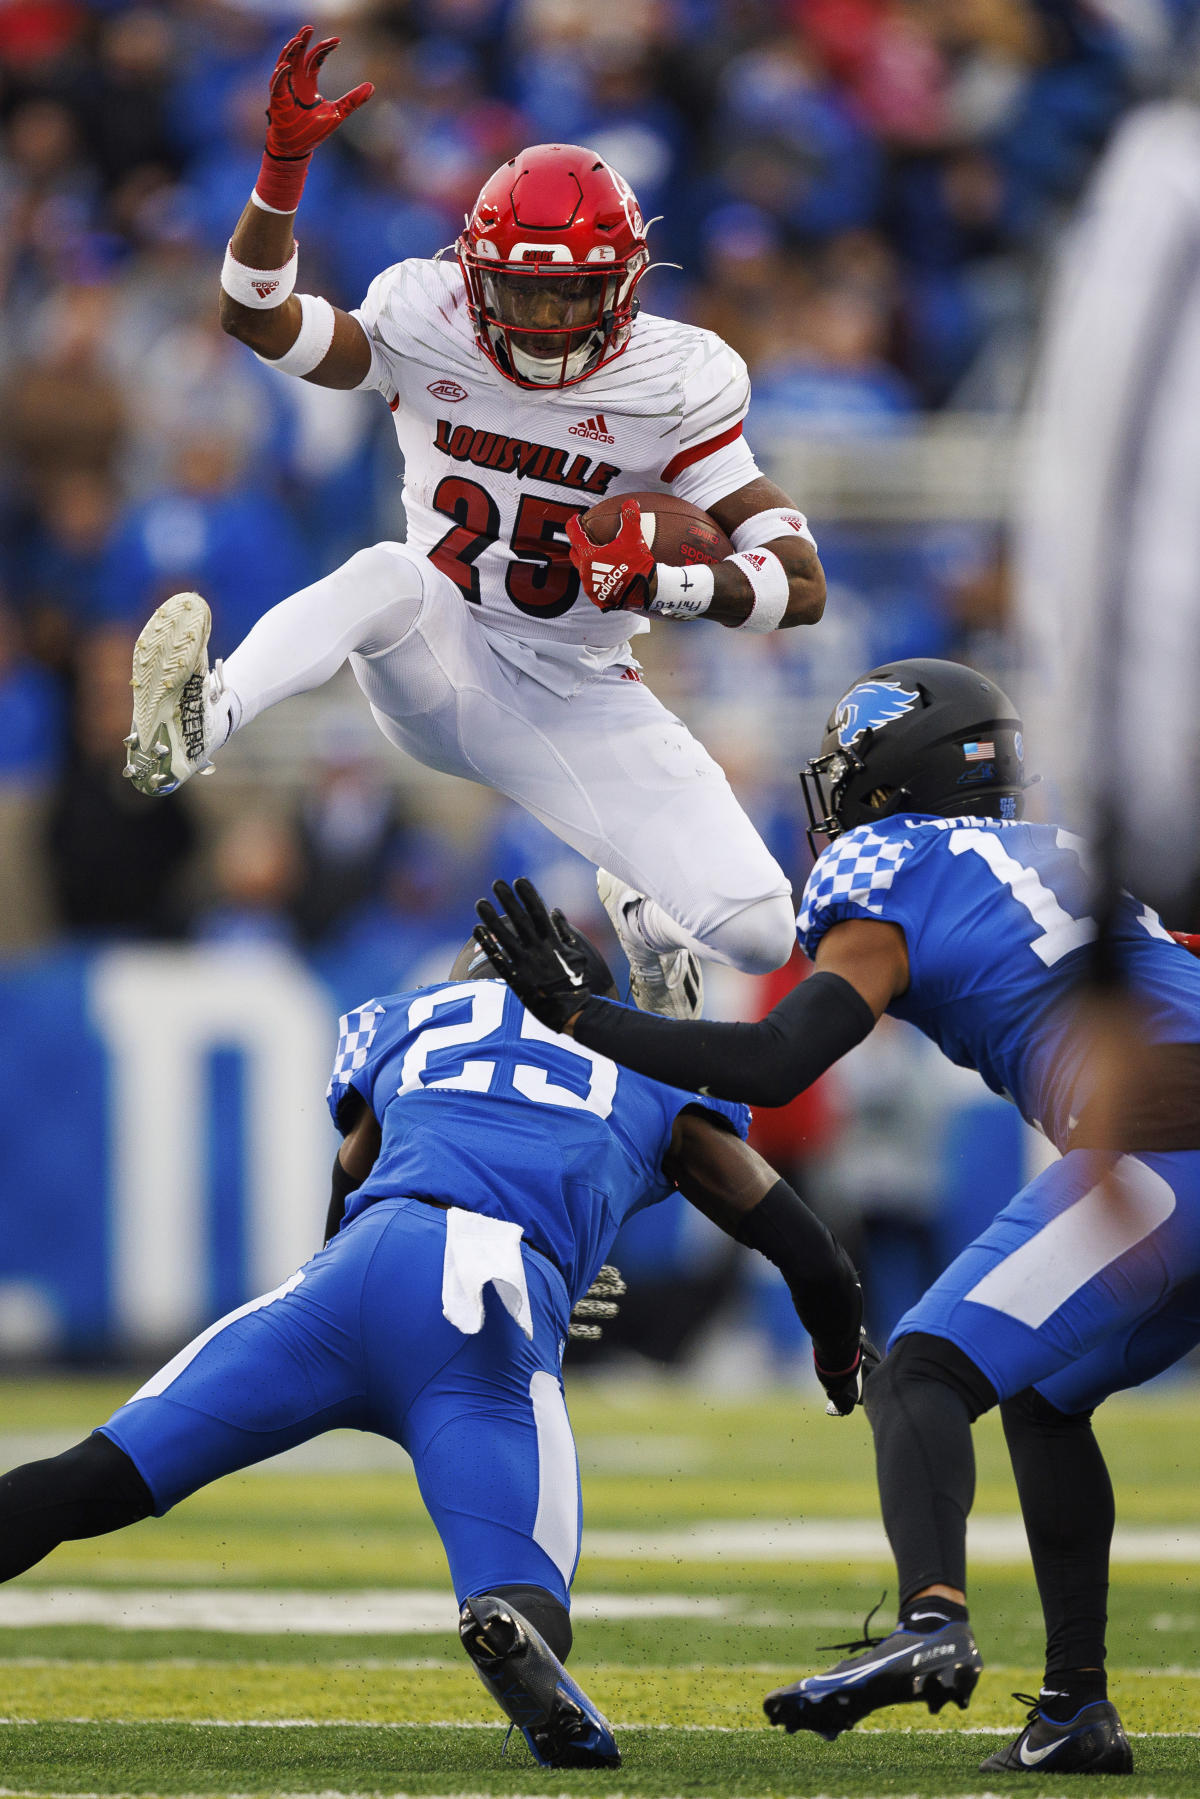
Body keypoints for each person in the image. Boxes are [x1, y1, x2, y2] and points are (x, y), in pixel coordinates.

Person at [475, 654, 1200, 1776]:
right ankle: (1072, 1707)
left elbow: (775, 1061)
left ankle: (931, 1619)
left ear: (888, 775)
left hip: (1165, 1143)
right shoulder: (1066, 854)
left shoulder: (892, 862)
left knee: (923, 1368)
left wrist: (580, 1013)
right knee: (1048, 1397)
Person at [0, 919, 869, 1769]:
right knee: (526, 1591)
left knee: (98, 1474)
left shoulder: (413, 1025)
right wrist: (838, 1363)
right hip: (490, 1310)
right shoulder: (650, 1068)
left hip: (354, 1278)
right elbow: (815, 1260)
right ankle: (509, 1635)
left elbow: (351, 1172)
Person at [121, 26, 828, 1020]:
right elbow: (256, 318)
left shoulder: (676, 379)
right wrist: (281, 172)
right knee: (388, 574)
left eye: (566, 295)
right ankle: (205, 715)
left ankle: (649, 912)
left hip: (581, 691)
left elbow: (799, 583)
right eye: (518, 292)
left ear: (625, 287)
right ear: (472, 274)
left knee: (761, 929)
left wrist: (666, 583)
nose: (539, 324)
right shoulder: (425, 313)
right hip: (438, 656)